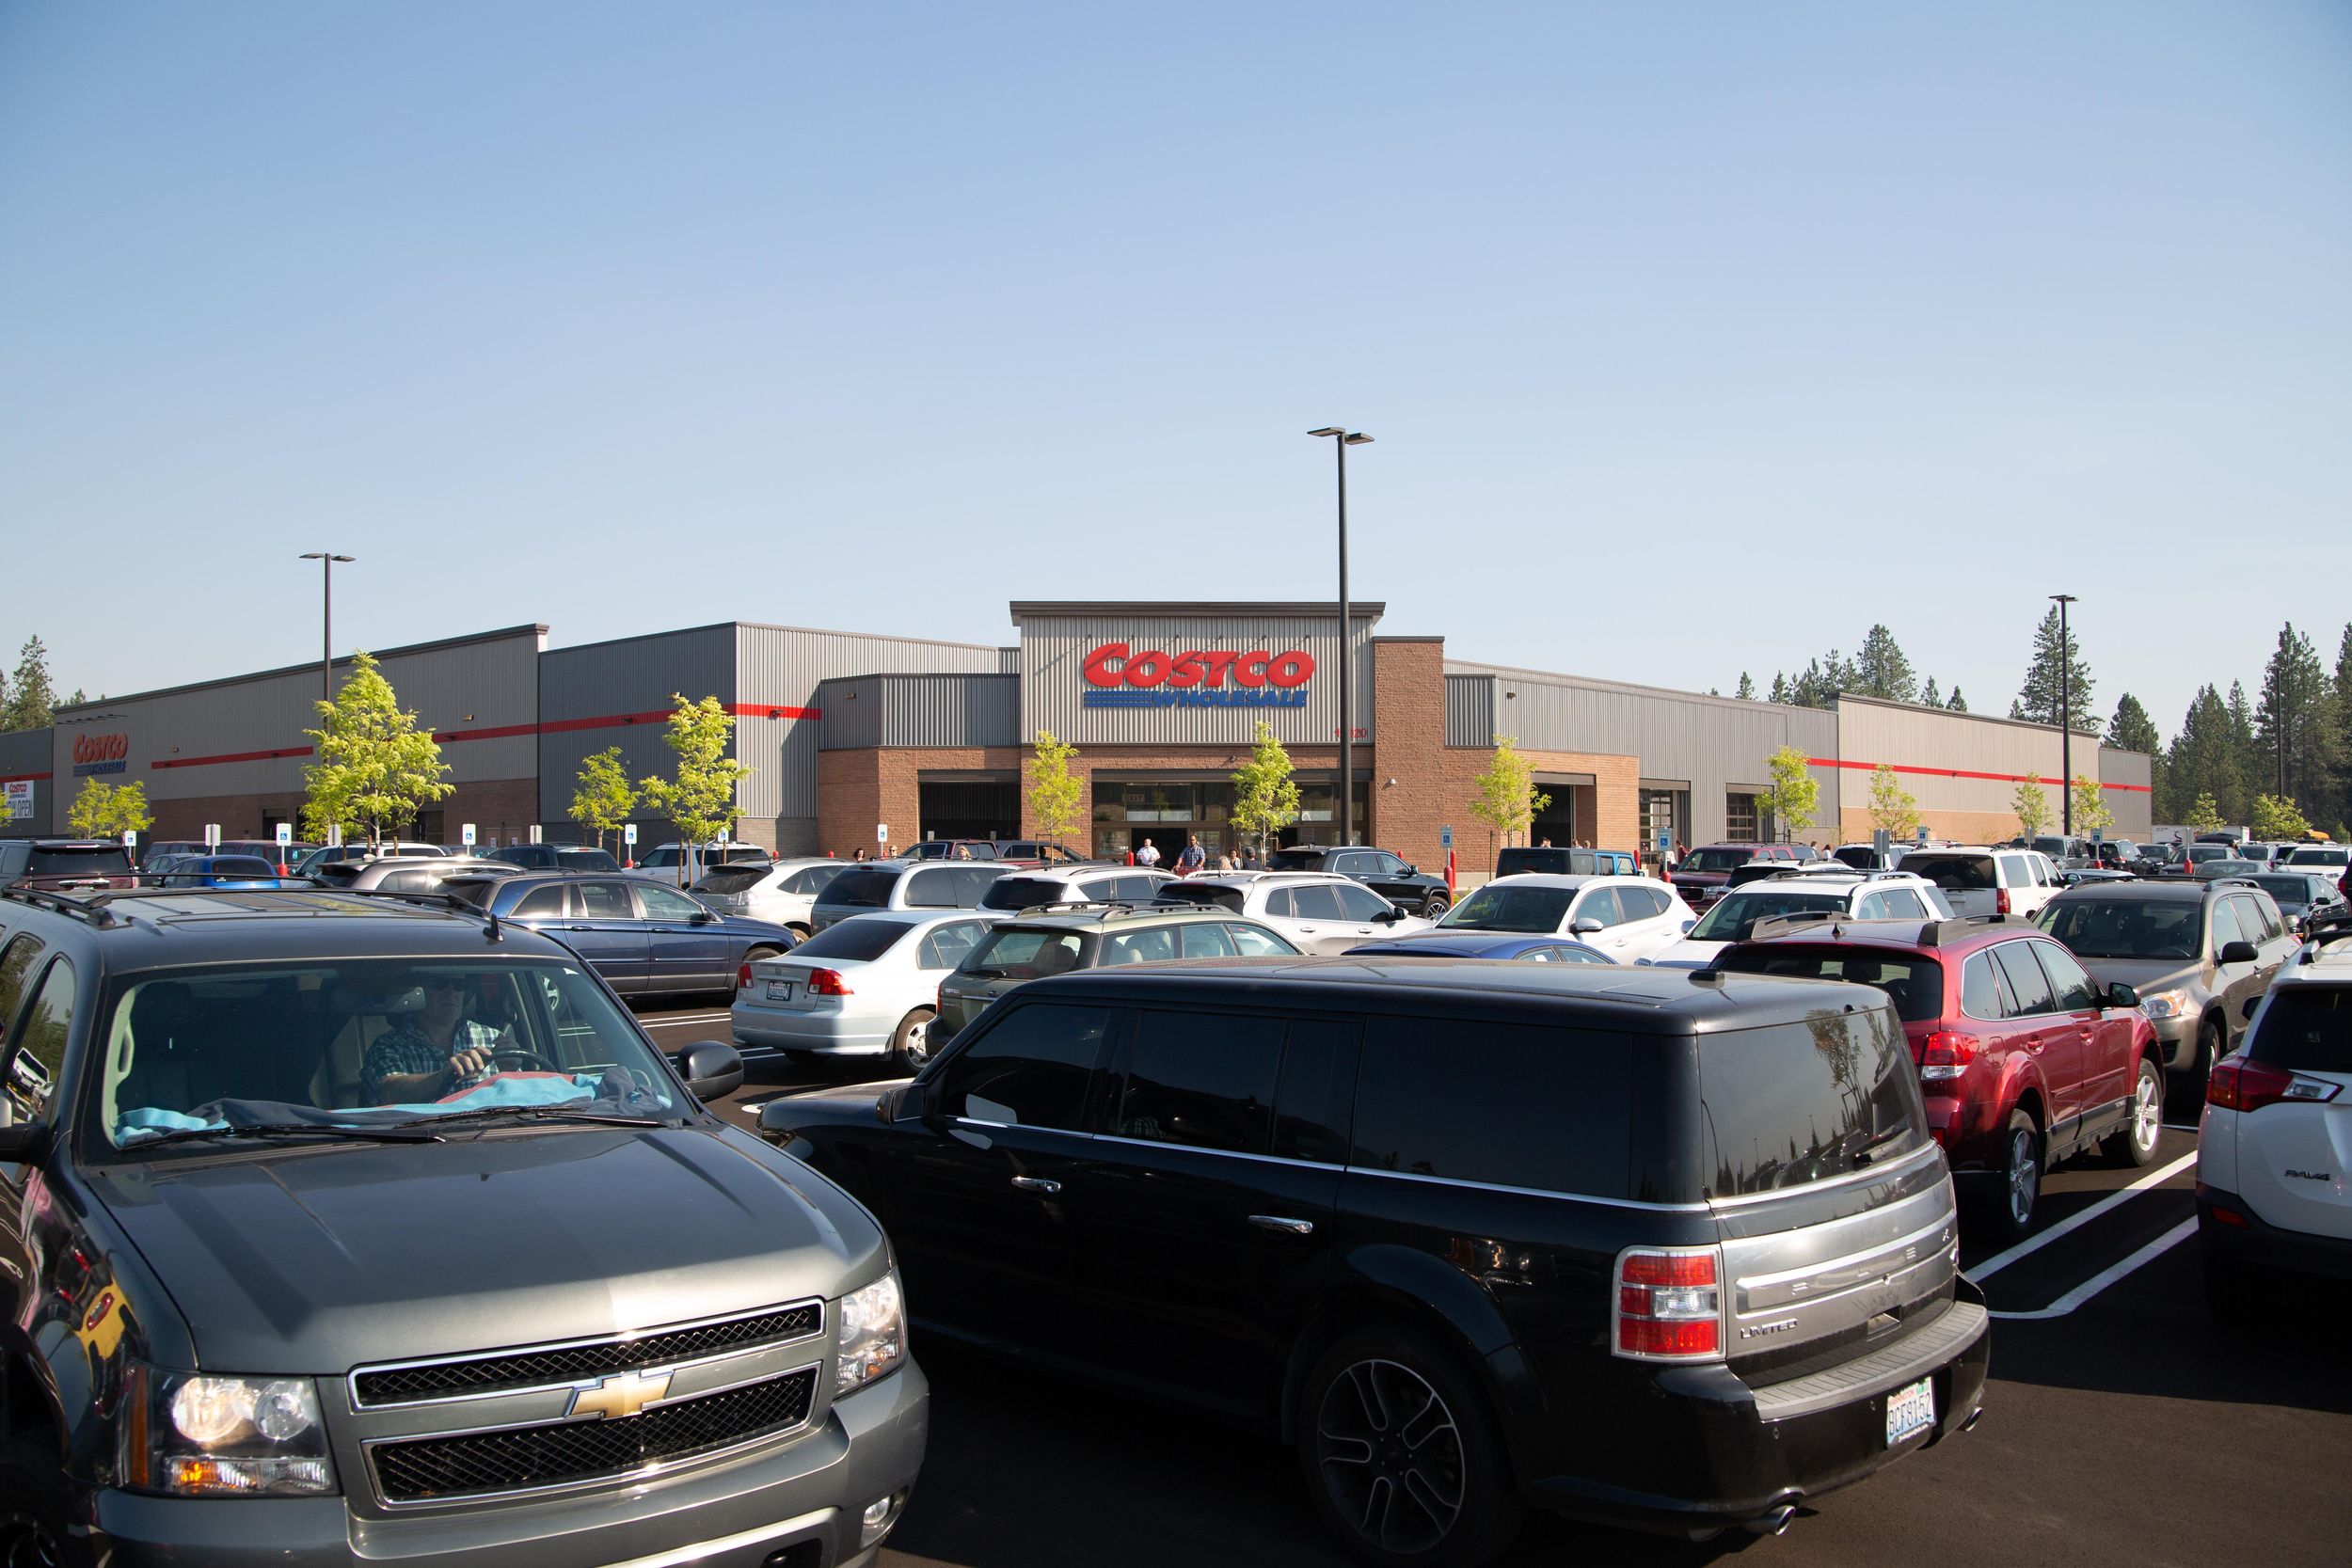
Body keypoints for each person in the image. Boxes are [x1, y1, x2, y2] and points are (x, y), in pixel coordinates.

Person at [362, 972, 513, 1105]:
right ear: (418, 992)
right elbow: (389, 1092)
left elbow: (521, 1105)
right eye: (439, 984)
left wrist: (509, 1070)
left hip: (489, 1133)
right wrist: (444, 1076)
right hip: (421, 1135)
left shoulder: (493, 1038)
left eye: (459, 984)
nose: (451, 993)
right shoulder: (389, 1046)